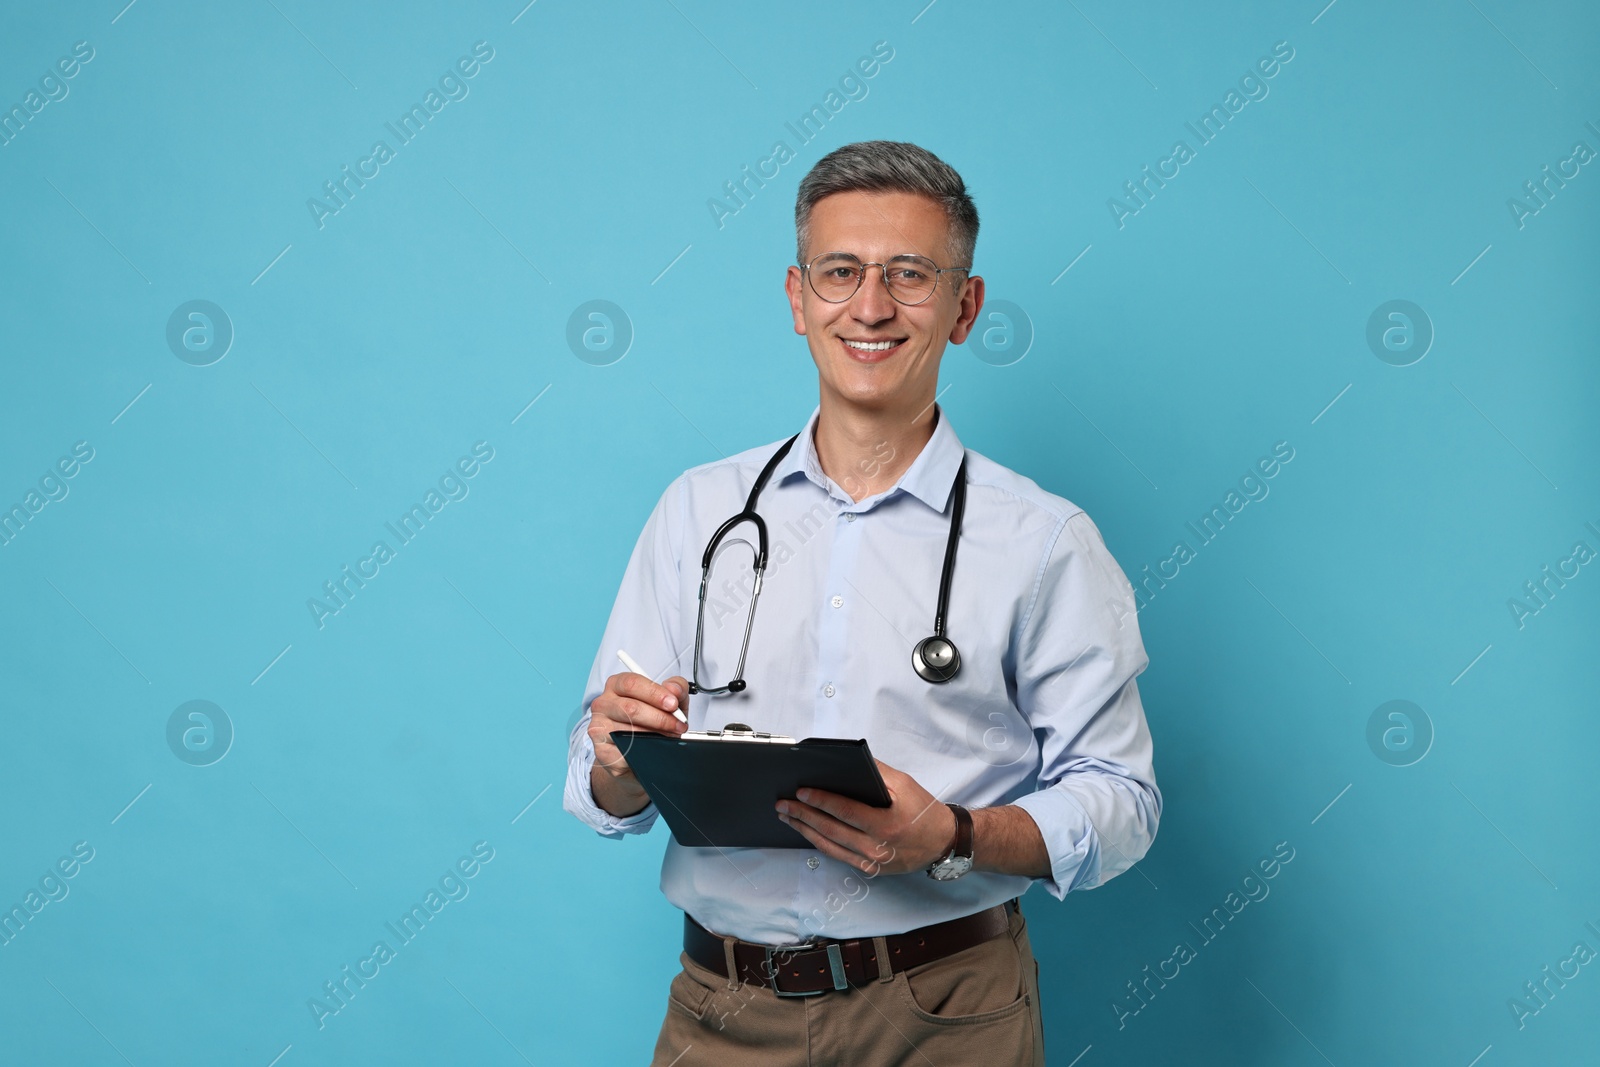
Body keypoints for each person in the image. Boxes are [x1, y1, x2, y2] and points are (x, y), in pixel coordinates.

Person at [563, 140, 1160, 1066]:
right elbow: (603, 782)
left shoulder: (1043, 541)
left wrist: (954, 838)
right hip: (722, 1016)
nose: (871, 306)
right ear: (798, 300)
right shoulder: (699, 512)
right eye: (841, 272)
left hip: (949, 1015)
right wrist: (616, 758)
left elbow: (1123, 801)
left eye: (910, 275)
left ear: (964, 308)